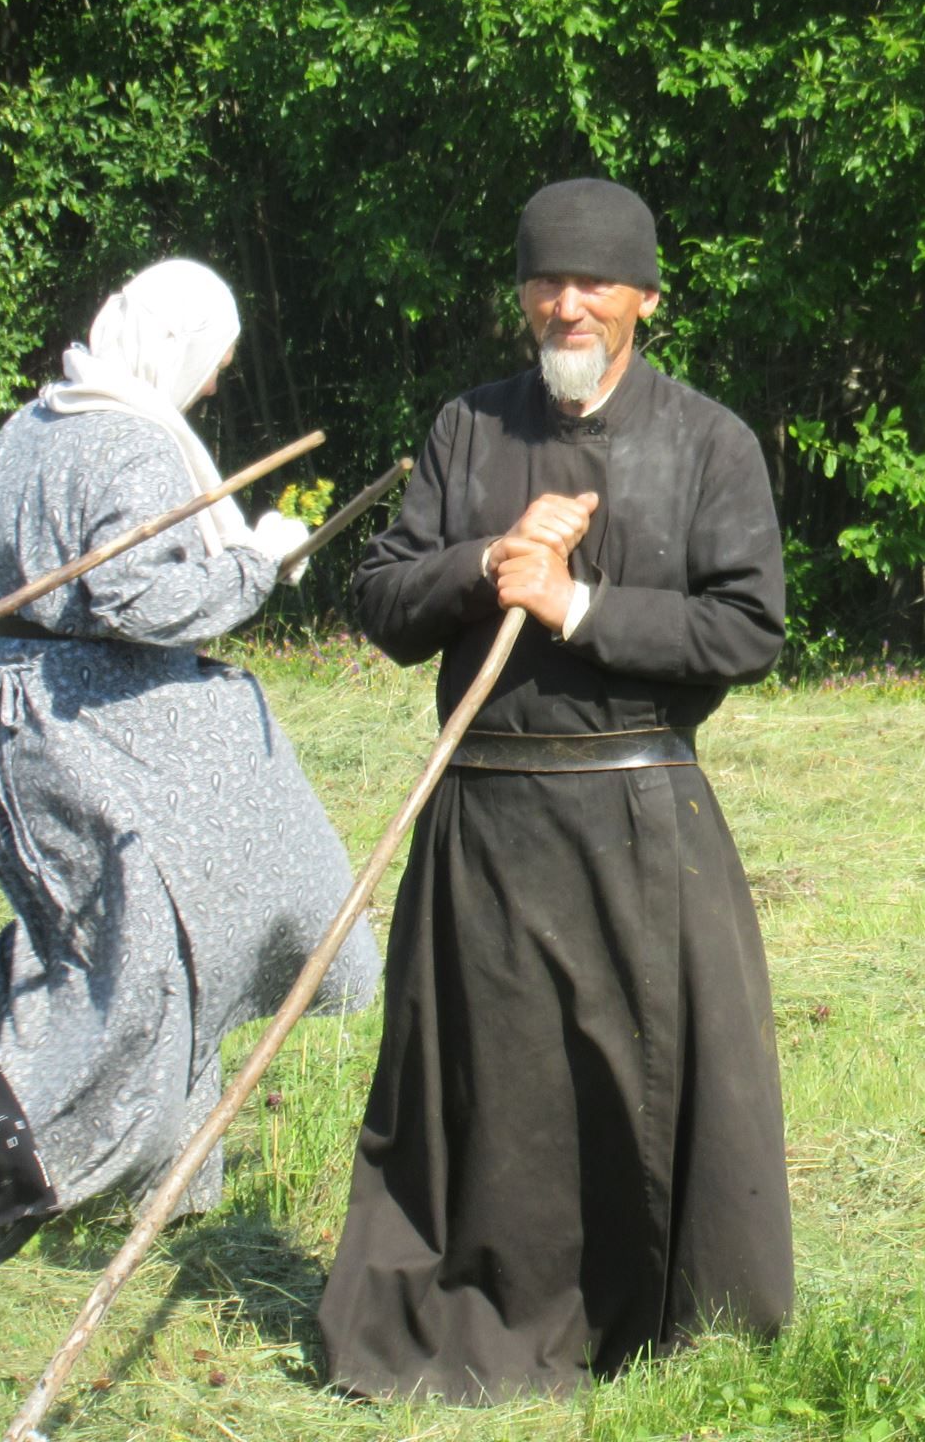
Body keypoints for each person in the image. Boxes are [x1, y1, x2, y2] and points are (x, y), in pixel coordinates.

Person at [319, 177, 791, 1402]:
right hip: (481, 817)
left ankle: (650, 1329)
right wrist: (488, 560)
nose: (567, 304)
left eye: (595, 283)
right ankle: (473, 1326)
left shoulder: (709, 442)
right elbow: (383, 602)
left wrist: (575, 605)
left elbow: (747, 630)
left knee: (638, 1089)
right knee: (487, 1097)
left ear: (646, 298)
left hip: (639, 822)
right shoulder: (467, 429)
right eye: (545, 281)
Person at [0, 260, 379, 1276]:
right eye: (215, 361)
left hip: (17, 714)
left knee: (142, 940)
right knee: (147, 954)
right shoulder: (131, 441)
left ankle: (169, 1174)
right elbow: (137, 599)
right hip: (85, 733)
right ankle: (15, 1157)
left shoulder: (35, 422)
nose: (213, 382)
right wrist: (258, 567)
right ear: (177, 344)